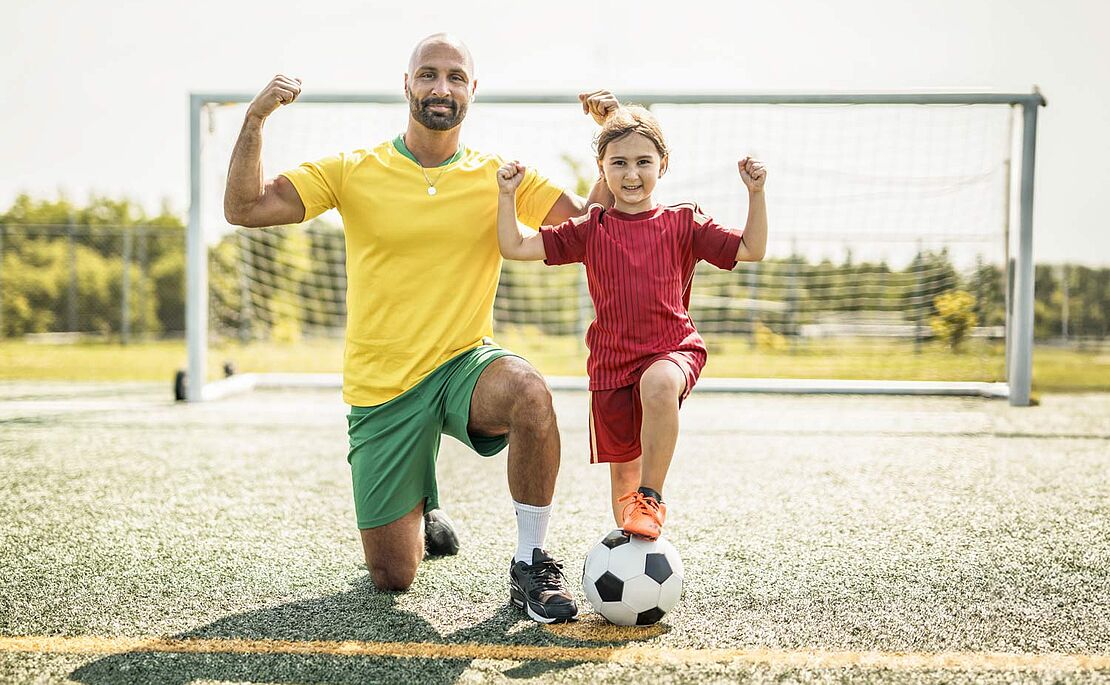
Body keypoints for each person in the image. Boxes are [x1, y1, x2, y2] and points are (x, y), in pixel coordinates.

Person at [223, 33, 618, 624]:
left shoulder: (499, 175)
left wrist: (611, 137)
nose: (441, 87)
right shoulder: (353, 170)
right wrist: (255, 120)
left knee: (530, 391)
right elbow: (245, 208)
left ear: (472, 90)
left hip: (464, 366)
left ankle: (530, 563)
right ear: (406, 84)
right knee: (393, 577)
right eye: (428, 74)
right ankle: (420, 506)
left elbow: (592, 224)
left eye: (455, 77)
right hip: (382, 388)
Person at [496, 105, 768, 541]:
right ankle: (635, 544)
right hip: (612, 365)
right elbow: (514, 246)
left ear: (664, 164)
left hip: (672, 349)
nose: (632, 174)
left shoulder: (683, 221)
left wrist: (756, 193)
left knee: (658, 384)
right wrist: (507, 196)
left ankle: (653, 496)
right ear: (602, 169)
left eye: (643, 161)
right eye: (619, 163)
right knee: (625, 487)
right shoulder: (591, 227)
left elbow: (751, 249)